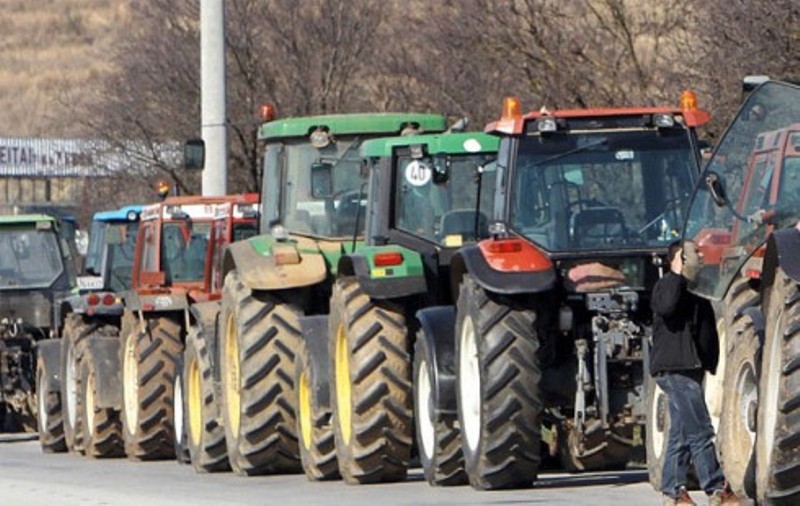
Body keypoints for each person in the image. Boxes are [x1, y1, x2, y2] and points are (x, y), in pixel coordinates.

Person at [650, 241, 739, 506]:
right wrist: (678, 274)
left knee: (680, 433)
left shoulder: (696, 290)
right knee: (701, 429)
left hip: (690, 368)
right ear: (679, 258)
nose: (701, 256)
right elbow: (666, 307)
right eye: (695, 253)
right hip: (674, 369)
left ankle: (674, 492)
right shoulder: (667, 285)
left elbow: (706, 331)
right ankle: (717, 490)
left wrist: (709, 363)